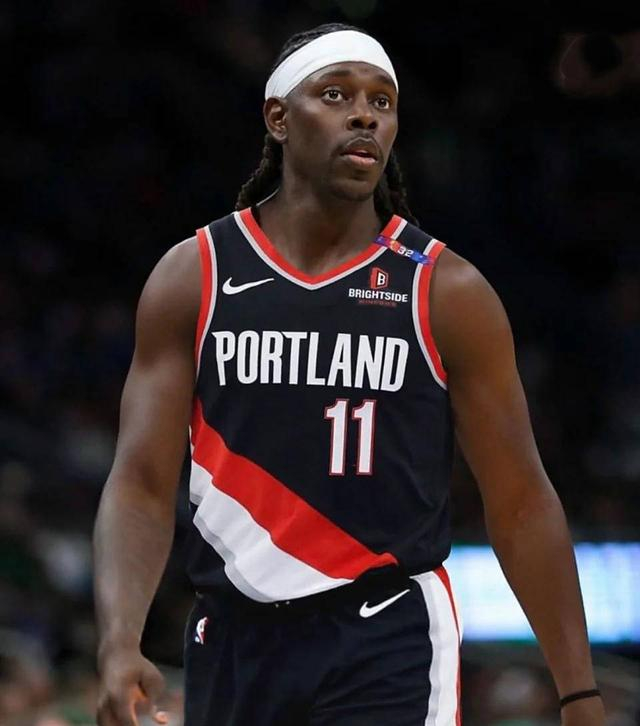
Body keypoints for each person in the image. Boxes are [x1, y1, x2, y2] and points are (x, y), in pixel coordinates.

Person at [93, 22, 606, 726]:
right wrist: (119, 641)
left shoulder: (444, 289)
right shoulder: (195, 275)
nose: (365, 115)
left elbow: (520, 500)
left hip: (387, 634)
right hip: (233, 638)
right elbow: (140, 483)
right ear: (278, 119)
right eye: (336, 94)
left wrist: (579, 692)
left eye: (381, 101)